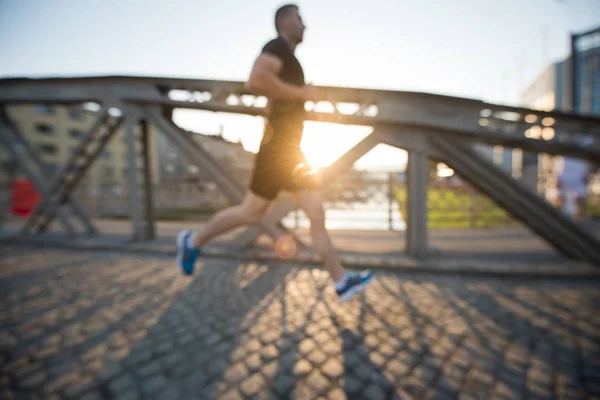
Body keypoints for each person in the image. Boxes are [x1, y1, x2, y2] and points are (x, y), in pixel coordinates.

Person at [176, 4, 373, 302]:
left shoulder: (290, 57)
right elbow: (255, 81)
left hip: (291, 151)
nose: (305, 25)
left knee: (306, 213)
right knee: (252, 212)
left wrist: (301, 92)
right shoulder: (277, 46)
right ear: (284, 22)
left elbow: (279, 90)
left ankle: (341, 280)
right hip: (278, 150)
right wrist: (303, 94)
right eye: (299, 19)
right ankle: (193, 240)